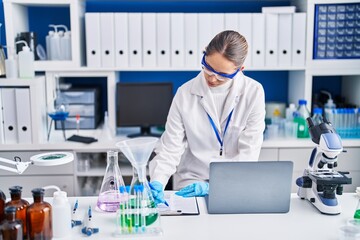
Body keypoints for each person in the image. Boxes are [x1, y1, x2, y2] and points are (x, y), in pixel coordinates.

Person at [149, 30, 266, 204]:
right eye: (208, 68)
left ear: (240, 69)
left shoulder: (253, 93)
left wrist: (217, 187)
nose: (212, 78)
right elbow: (170, 148)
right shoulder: (185, 94)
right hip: (191, 182)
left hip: (234, 182)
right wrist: (157, 181)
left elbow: (248, 154)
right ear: (204, 55)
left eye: (223, 75)